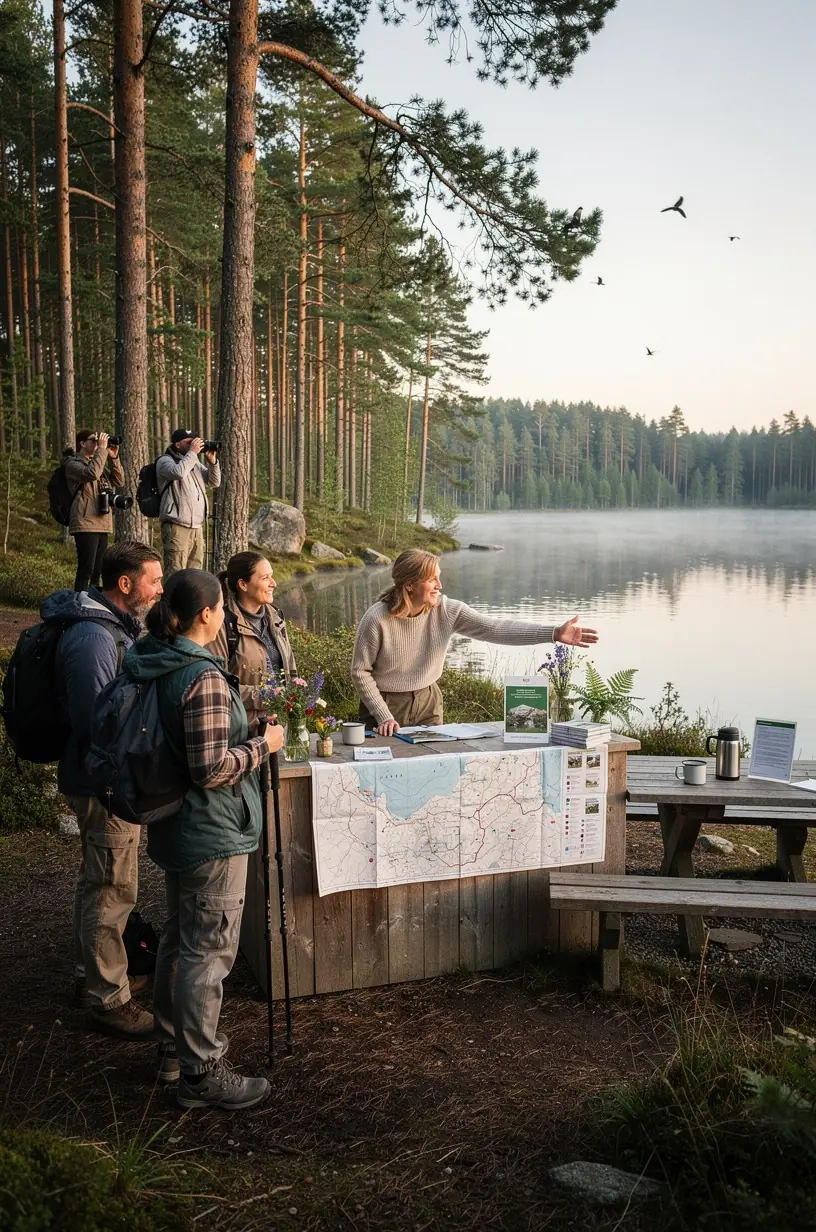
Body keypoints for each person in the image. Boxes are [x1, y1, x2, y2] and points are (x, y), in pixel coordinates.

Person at [123, 568, 284, 1109]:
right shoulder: (203, 676)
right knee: (208, 950)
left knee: (180, 939)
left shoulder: (155, 657)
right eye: (218, 608)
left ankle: (173, 1051)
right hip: (211, 829)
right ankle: (202, 1071)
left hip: (177, 825)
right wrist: (265, 745)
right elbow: (210, 767)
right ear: (209, 615)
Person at [46, 540, 164, 1037]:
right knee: (112, 886)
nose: (160, 589)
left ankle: (91, 976)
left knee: (104, 879)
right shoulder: (95, 638)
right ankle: (107, 998)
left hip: (105, 777)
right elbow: (95, 721)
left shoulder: (110, 629)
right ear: (125, 584)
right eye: (154, 581)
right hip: (102, 781)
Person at [351, 548, 599, 736]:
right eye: (432, 579)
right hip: (385, 703)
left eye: (439, 577)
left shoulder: (447, 611)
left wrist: (553, 633)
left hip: (428, 701)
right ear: (409, 585)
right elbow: (360, 671)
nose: (440, 585)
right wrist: (383, 715)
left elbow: (496, 629)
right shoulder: (377, 619)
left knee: (432, 771)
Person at [207, 551, 297, 727]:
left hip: (282, 727)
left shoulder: (276, 617)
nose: (274, 583)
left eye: (272, 576)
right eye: (265, 578)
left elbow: (291, 669)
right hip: (244, 731)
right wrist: (264, 695)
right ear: (243, 584)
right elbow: (217, 687)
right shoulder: (223, 625)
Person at [66, 429, 125, 592]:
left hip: (101, 522)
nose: (98, 443)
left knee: (98, 570)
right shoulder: (73, 464)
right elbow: (92, 473)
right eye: (94, 440)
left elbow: (119, 481)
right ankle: (79, 603)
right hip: (85, 521)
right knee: (87, 569)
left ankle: (92, 604)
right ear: (82, 443)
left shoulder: (98, 462)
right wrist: (101, 450)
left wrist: (114, 458)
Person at [156, 429, 220, 577]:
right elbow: (178, 472)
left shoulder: (193, 461)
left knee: (195, 574)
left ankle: (192, 601)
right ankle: (172, 601)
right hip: (177, 526)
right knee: (176, 573)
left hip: (197, 527)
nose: (194, 444)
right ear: (177, 444)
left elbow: (214, 481)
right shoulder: (165, 460)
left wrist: (213, 463)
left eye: (195, 440)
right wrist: (193, 453)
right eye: (189, 442)